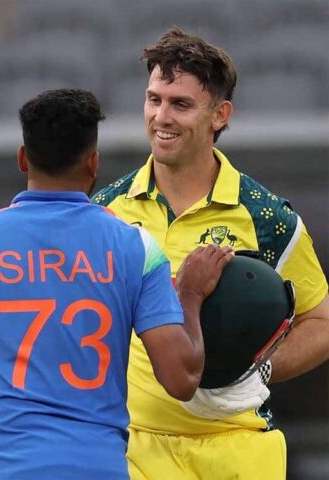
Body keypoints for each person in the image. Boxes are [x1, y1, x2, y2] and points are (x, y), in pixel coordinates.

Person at [0, 88, 234, 479]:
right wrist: (190, 292)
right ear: (93, 163)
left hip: (3, 469)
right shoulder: (135, 246)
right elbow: (181, 379)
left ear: (23, 158)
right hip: (96, 468)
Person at [92, 27, 329, 479]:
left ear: (220, 114)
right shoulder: (105, 212)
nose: (161, 117)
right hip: (134, 450)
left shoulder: (266, 217)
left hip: (239, 449)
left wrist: (257, 371)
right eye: (154, 99)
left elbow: (322, 322)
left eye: (180, 104)